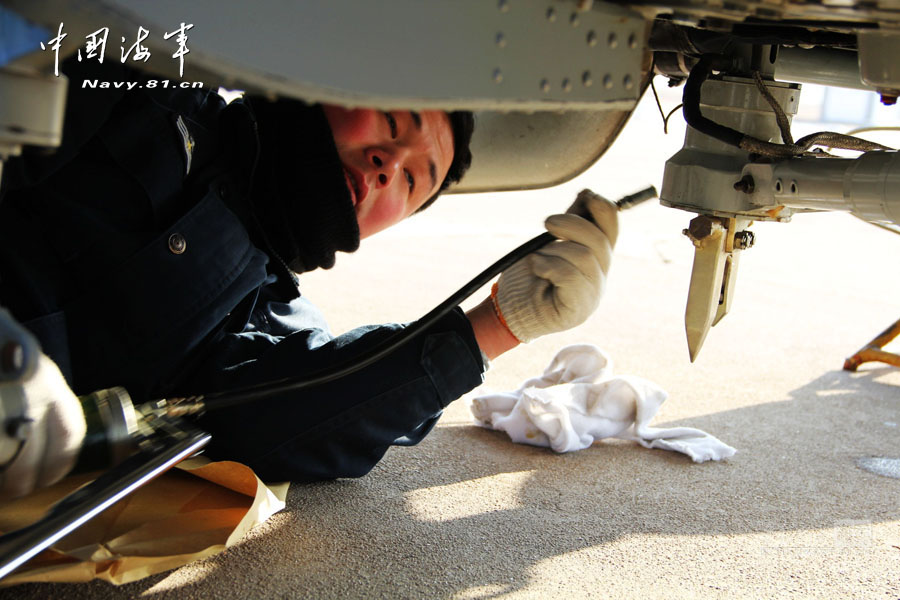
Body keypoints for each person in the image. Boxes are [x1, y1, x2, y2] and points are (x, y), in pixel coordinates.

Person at [0, 57, 618, 489]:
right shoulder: (149, 82)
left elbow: (301, 416)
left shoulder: (263, 315)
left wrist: (503, 323)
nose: (387, 165)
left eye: (410, 180)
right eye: (391, 122)